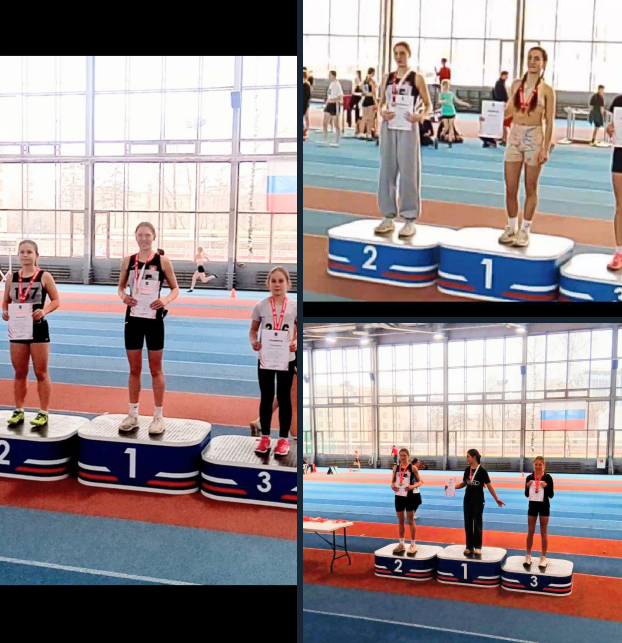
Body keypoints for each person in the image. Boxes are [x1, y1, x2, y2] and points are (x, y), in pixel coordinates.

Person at [117, 222, 180, 435]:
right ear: (135, 237)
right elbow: (120, 287)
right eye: (140, 235)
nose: (144, 239)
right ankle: (133, 414)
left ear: (154, 236)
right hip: (133, 318)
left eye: (147, 235)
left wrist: (165, 300)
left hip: (154, 319)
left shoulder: (162, 261)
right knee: (134, 369)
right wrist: (124, 297)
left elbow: (175, 288)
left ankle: (158, 416)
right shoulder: (128, 261)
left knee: (155, 369)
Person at [496, 47, 555, 248]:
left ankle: (525, 229)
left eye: (536, 58)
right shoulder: (516, 85)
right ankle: (512, 227)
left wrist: (545, 147)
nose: (532, 61)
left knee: (530, 186)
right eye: (529, 58)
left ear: (543, 63)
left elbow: (550, 121)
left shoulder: (547, 91)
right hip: (515, 135)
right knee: (510, 186)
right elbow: (509, 111)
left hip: (534, 136)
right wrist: (491, 118)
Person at [374, 41, 432, 239]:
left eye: (402, 53)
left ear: (409, 54)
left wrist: (420, 116)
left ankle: (409, 219)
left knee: (409, 172)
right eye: (396, 53)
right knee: (387, 171)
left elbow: (428, 105)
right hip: (389, 126)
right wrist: (382, 111)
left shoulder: (417, 78)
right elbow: (381, 103)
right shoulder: (387, 78)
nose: (399, 57)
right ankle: (388, 216)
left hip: (408, 126)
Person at [2, 240, 60, 428]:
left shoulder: (44, 276)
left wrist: (44, 311)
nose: (25, 255)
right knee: (20, 372)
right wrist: (5, 312)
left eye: (29, 252)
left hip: (38, 328)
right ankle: (19, 410)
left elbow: (56, 300)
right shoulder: (12, 278)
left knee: (41, 372)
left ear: (36, 255)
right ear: (18, 255)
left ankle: (43, 411)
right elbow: (5, 301)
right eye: (22, 252)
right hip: (17, 329)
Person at [249, 267, 297, 457]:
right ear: (268, 283)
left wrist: (296, 342)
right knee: (266, 397)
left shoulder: (295, 306)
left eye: (281, 281)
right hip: (266, 358)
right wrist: (254, 341)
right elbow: (253, 330)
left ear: (288, 283)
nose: (277, 285)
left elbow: (299, 330)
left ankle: (283, 439)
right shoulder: (260, 306)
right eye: (274, 281)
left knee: (284, 398)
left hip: (287, 358)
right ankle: (265, 437)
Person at [445, 449, 505, 558]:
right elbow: (464, 483)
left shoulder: (482, 471)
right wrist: (452, 487)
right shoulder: (467, 470)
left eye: (468, 456)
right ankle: (469, 546)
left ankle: (478, 547)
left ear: (474, 457)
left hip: (478, 501)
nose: (466, 458)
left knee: (477, 524)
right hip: (467, 500)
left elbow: (489, 486)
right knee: (468, 524)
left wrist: (497, 499)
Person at [250, 353, 297, 438]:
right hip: (286, 357)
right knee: (291, 399)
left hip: (289, 355)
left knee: (284, 396)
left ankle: (260, 421)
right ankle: (294, 436)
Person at [390, 448, 423, 556]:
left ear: (408, 456)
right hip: (399, 496)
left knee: (410, 520)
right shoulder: (396, 468)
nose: (402, 457)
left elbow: (420, 481)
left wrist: (412, 486)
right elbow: (392, 481)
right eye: (401, 455)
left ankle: (413, 543)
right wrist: (392, 486)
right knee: (400, 521)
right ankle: (401, 543)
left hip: (409, 496)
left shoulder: (412, 468)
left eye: (404, 455)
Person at [524, 456, 554, 570]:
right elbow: (526, 494)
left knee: (543, 532)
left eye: (540, 465)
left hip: (544, 506)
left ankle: (543, 557)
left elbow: (551, 495)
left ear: (544, 466)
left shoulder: (548, 478)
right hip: (532, 506)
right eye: (536, 464)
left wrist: (546, 487)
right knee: (530, 531)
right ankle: (528, 555)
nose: (537, 467)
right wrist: (527, 487)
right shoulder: (529, 477)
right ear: (533, 465)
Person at [605, 92, 622, 270]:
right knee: (620, 206)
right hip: (620, 156)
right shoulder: (618, 101)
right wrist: (610, 129)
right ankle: (619, 253)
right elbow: (613, 126)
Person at [438, 79, 470, 144]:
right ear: (442, 85)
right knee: (446, 127)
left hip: (452, 111)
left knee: (451, 126)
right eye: (445, 85)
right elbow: (439, 101)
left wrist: (465, 104)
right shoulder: (441, 94)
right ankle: (442, 134)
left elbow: (457, 100)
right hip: (444, 112)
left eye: (448, 85)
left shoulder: (451, 94)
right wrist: (443, 101)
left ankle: (450, 141)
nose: (447, 86)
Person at [483, 71, 510, 148]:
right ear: (502, 75)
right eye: (506, 76)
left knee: (503, 123)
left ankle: (503, 139)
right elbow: (500, 95)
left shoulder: (501, 83)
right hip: (501, 104)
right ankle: (503, 139)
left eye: (507, 76)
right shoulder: (499, 83)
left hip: (501, 103)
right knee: (502, 122)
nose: (507, 77)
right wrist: (505, 102)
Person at [321, 71, 343, 147]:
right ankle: (325, 139)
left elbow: (340, 97)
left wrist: (332, 100)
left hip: (335, 105)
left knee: (336, 124)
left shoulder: (337, 85)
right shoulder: (331, 84)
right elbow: (330, 94)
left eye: (330, 75)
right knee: (325, 123)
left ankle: (336, 141)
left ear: (334, 76)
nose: (328, 76)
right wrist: (328, 101)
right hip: (329, 104)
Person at [358, 68, 378, 141]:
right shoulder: (372, 81)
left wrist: (366, 93)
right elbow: (373, 93)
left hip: (365, 100)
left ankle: (361, 133)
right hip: (371, 100)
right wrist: (376, 103)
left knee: (364, 117)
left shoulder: (364, 81)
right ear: (373, 73)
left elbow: (363, 92)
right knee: (371, 118)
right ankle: (369, 134)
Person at [303, 70, 311, 141]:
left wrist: (305, 107)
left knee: (306, 117)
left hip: (305, 104)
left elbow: (307, 97)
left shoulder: (307, 85)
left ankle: (306, 131)